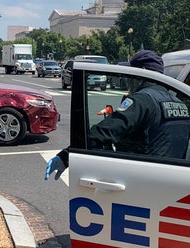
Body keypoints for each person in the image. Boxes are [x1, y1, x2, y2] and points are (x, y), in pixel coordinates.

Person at [45, 50, 190, 180]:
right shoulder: (179, 102)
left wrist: (66, 156)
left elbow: (105, 131)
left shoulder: (142, 100)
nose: (127, 79)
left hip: (140, 179)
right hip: (172, 181)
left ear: (142, 73)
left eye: (130, 74)